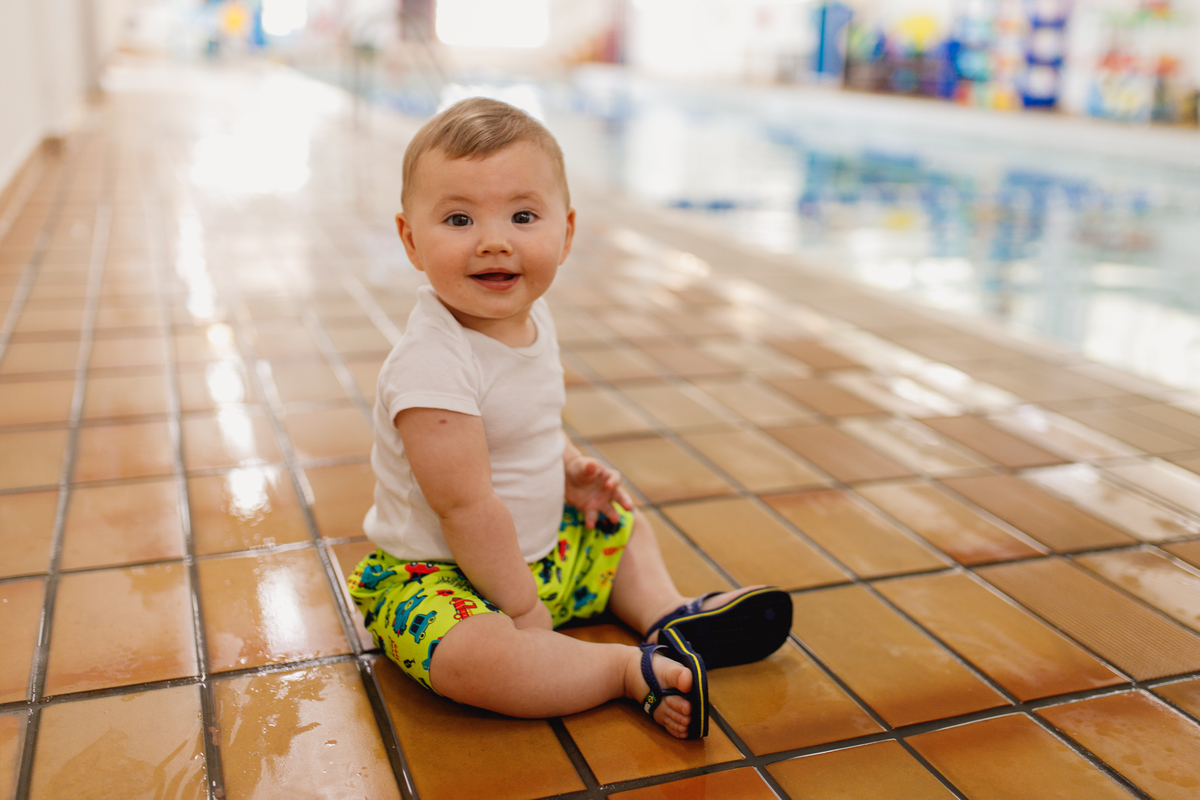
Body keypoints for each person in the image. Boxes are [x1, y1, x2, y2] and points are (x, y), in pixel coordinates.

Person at [347, 97, 792, 739]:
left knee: (617, 518)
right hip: (440, 580)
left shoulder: (528, 317)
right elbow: (464, 507)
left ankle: (666, 614)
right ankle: (620, 670)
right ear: (411, 240)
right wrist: (523, 610)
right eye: (459, 218)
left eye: (523, 216)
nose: (494, 240)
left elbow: (529, 425)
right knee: (478, 662)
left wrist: (569, 468)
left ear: (567, 232)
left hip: (538, 554)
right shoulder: (432, 366)